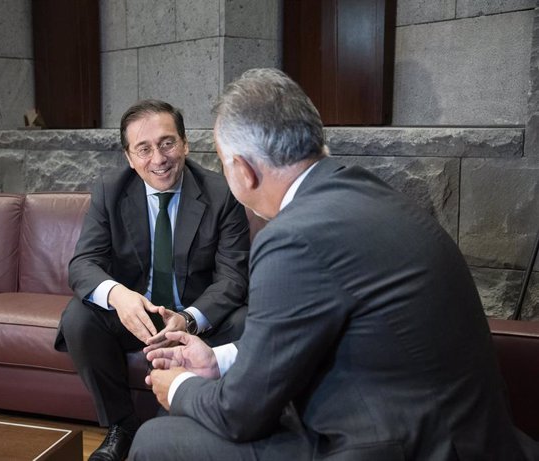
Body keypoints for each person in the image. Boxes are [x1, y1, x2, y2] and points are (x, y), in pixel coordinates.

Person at [129, 69, 539, 460]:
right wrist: (215, 360)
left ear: (244, 170)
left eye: (222, 160)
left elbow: (241, 414)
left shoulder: (293, 236)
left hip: (406, 446)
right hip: (463, 432)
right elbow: (315, 327)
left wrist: (179, 386)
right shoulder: (364, 189)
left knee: (156, 439)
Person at [54, 99, 250, 461]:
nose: (158, 158)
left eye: (167, 143)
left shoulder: (223, 194)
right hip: (139, 316)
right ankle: (121, 426)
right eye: (143, 149)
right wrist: (118, 297)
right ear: (129, 157)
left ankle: (172, 428)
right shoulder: (110, 191)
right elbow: (83, 264)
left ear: (186, 144)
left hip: (197, 319)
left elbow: (233, 279)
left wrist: (189, 318)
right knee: (78, 317)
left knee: (244, 321)